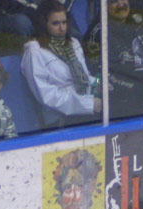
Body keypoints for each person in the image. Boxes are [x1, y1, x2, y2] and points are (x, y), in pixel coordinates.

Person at [82, 0, 143, 119]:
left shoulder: (138, 11)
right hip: (132, 101)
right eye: (114, 2)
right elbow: (105, 77)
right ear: (102, 5)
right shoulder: (97, 35)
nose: (121, 4)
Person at [21, 0, 100, 130]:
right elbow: (47, 96)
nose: (62, 28)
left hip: (87, 105)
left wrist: (99, 83)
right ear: (43, 24)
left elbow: (86, 77)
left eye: (64, 22)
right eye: (55, 23)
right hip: (60, 118)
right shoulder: (34, 52)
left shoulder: (73, 43)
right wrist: (86, 105)